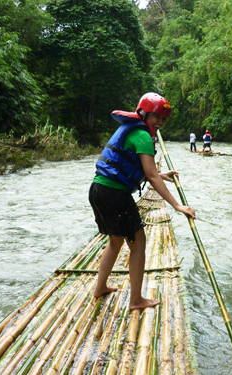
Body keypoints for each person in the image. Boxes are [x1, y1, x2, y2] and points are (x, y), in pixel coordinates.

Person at [89, 92, 196, 310]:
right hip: (115, 193)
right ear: (143, 113)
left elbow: (146, 171)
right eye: (157, 117)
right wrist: (177, 205)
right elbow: (152, 176)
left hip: (98, 189)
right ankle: (136, 300)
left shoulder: (132, 130)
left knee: (115, 241)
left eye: (164, 119)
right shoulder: (143, 136)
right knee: (138, 244)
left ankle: (100, 287)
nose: (161, 123)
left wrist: (163, 175)